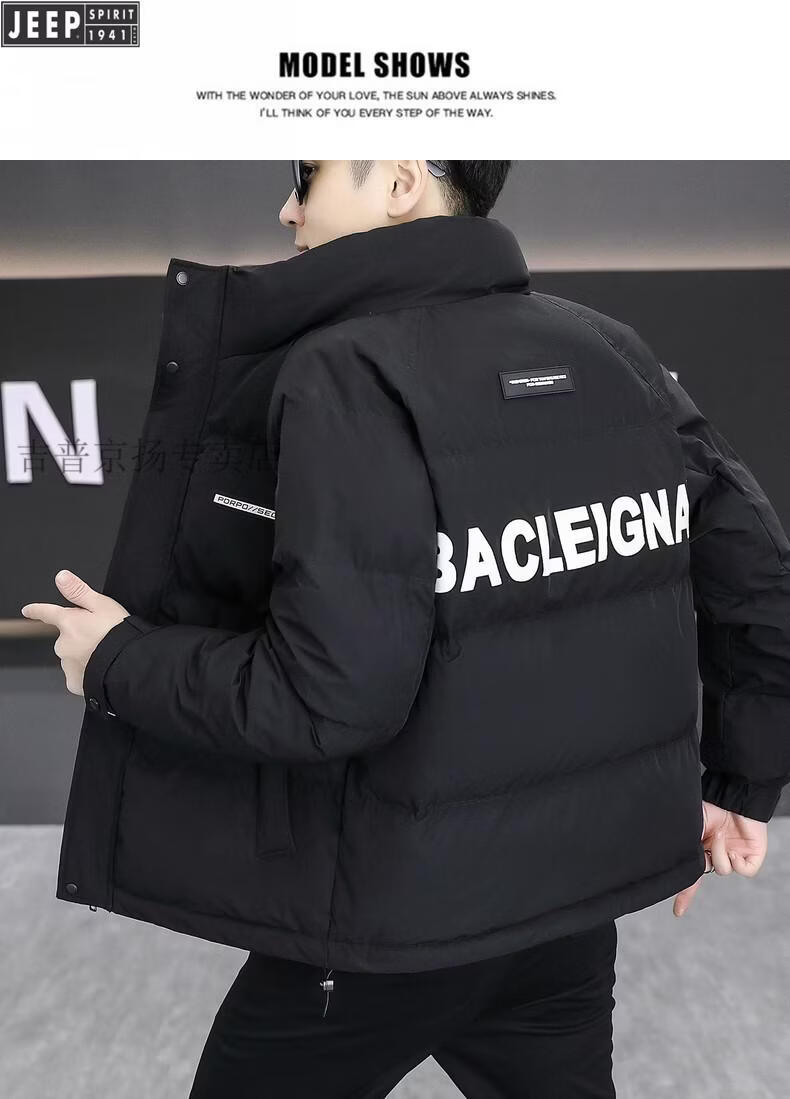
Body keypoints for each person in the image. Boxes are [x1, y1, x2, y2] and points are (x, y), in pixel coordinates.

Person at [27, 162, 788, 1097]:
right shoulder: (611, 349)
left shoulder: (343, 372)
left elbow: (329, 695)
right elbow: (759, 578)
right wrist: (741, 783)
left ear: (398, 180)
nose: (288, 208)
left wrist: (117, 661)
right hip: (564, 918)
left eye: (307, 175)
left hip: (387, 924)